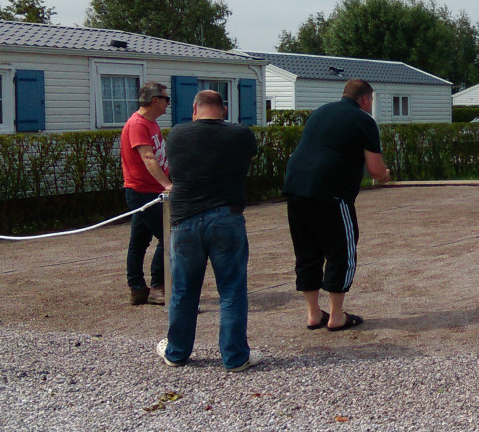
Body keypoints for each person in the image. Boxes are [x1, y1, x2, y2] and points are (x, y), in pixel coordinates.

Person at [156, 90, 260, 371]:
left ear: (194, 109)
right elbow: (247, 160)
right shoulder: (240, 134)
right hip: (227, 217)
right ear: (223, 110)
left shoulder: (176, 134)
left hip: (184, 220)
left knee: (183, 291)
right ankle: (235, 357)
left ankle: (176, 352)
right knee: (232, 290)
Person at [283, 79, 390, 332]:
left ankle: (313, 314)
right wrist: (385, 175)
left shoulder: (319, 112)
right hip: (330, 192)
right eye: (371, 101)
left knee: (307, 251)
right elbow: (375, 170)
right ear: (365, 99)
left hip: (296, 187)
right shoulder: (364, 121)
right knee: (341, 250)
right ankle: (336, 316)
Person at [120, 81, 173, 305]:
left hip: (150, 190)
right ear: (154, 101)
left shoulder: (151, 123)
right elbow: (148, 158)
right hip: (143, 191)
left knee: (139, 240)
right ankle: (157, 287)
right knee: (168, 236)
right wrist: (167, 185)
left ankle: (138, 289)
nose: (167, 104)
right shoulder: (137, 124)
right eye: (165, 99)